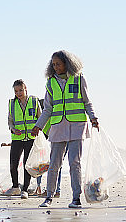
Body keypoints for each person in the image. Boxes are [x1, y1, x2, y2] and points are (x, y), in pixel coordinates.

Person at [31, 50, 98, 209]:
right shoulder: (50, 82)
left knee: (75, 163)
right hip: (58, 127)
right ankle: (49, 197)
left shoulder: (79, 79)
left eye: (58, 64)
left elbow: (87, 102)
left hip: (77, 126)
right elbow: (47, 109)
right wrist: (38, 126)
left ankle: (76, 198)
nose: (55, 67)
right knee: (54, 164)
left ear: (67, 63)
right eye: (53, 64)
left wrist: (93, 118)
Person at [2, 79, 42, 199]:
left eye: (20, 90)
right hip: (17, 138)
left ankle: (24, 190)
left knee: (27, 165)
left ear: (25, 89)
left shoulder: (34, 101)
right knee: (13, 164)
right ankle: (15, 187)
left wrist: (38, 129)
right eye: (16, 91)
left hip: (31, 138)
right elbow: (10, 120)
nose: (18, 93)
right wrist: (13, 129)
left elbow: (40, 118)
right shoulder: (12, 103)